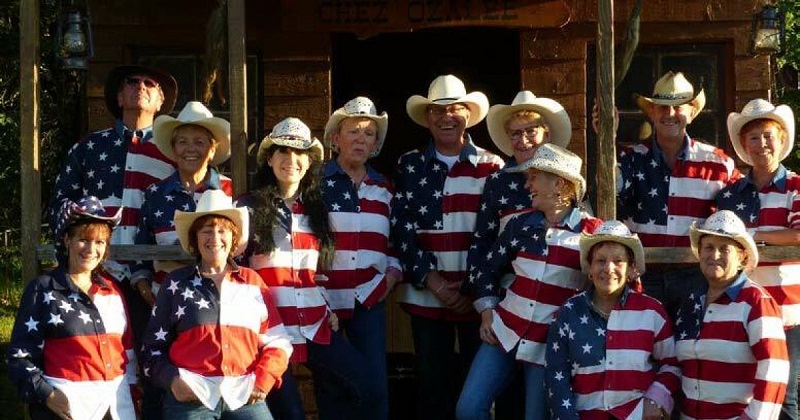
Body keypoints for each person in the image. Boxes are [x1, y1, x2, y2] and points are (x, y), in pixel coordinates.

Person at [240, 117, 381, 420]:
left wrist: (327, 306)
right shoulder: (247, 208)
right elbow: (235, 270)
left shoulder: (317, 209)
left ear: (309, 163)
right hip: (270, 331)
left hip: (315, 324)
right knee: (291, 414)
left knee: (368, 386)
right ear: (269, 159)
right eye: (283, 152)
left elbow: (317, 270)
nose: (291, 160)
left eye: (299, 154)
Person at [455, 143, 602, 420]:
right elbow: (487, 268)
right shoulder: (520, 225)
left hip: (549, 345)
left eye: (534, 178)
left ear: (559, 184)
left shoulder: (591, 233)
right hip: (503, 331)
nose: (527, 186)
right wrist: (487, 310)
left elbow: (608, 288)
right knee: (468, 409)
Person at [391, 74, 505, 419]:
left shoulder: (492, 166)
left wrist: (472, 289)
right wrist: (434, 281)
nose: (446, 117)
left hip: (478, 300)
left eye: (455, 109)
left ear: (468, 114)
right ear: (427, 118)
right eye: (437, 111)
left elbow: (497, 236)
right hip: (427, 295)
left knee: (475, 389)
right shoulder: (409, 164)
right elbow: (401, 229)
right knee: (431, 386)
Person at [466, 90, 573, 419]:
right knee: (478, 405)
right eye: (515, 133)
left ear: (547, 134)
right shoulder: (498, 183)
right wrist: (486, 307)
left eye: (531, 131)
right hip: (506, 307)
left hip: (549, 322)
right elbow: (483, 246)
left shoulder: (580, 215)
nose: (523, 139)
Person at [141, 189, 293, 418]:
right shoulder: (176, 283)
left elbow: (278, 341)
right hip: (192, 396)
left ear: (233, 237)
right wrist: (173, 381)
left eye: (222, 230)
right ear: (195, 238)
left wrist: (263, 380)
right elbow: (151, 348)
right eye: (206, 230)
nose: (214, 238)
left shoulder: (253, 282)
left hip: (244, 395)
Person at [605, 71, 740, 318]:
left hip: (695, 275)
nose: (670, 114)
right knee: (642, 340)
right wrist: (607, 136)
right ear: (652, 112)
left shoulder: (718, 163)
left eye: (678, 107)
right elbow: (611, 187)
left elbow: (742, 210)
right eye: (662, 107)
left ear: (692, 112)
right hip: (642, 274)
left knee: (690, 340)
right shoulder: (630, 158)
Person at [131, 100, 233, 418]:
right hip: (163, 305)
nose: (191, 149)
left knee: (213, 386)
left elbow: (241, 252)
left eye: (199, 141)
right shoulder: (155, 195)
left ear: (212, 149)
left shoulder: (230, 193)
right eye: (183, 141)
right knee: (157, 383)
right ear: (173, 148)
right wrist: (148, 292)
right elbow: (141, 251)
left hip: (213, 312)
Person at [8, 196, 137, 420]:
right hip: (69, 409)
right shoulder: (43, 289)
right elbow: (19, 356)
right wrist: (48, 395)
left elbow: (127, 352)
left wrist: (135, 394)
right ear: (67, 239)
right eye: (84, 240)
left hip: (117, 408)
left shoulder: (113, 291)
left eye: (100, 242)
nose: (91, 249)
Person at [544, 220, 680, 419]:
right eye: (600, 260)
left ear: (631, 269)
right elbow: (556, 377)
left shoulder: (652, 312)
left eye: (618, 261)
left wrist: (655, 400)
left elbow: (672, 365)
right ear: (589, 268)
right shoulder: (568, 313)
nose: (608, 268)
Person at [716, 98, 799, 420]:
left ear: (781, 140)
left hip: (788, 310)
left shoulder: (795, 186)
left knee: (783, 395)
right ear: (744, 144)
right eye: (754, 137)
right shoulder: (731, 194)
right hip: (742, 307)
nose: (762, 143)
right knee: (746, 391)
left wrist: (750, 236)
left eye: (768, 136)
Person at [320, 96, 401, 419]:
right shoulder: (316, 183)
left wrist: (390, 278)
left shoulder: (384, 188)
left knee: (374, 388)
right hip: (325, 299)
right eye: (353, 132)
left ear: (375, 144)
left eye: (368, 134)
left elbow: (396, 244)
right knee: (332, 386)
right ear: (336, 139)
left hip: (368, 298)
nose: (361, 139)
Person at [675, 210, 788, 419]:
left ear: (741, 256)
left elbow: (774, 369)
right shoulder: (690, 303)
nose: (714, 255)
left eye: (724, 248)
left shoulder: (757, 301)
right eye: (709, 247)